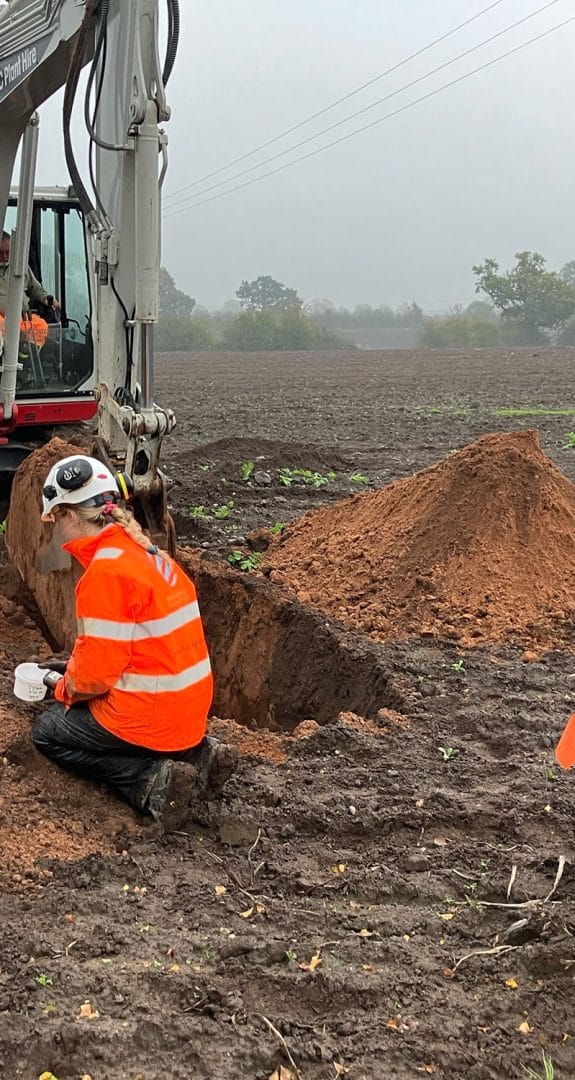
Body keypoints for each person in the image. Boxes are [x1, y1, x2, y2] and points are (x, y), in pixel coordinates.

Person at [32, 454, 236, 830]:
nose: (56, 529)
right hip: (191, 714)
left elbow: (92, 681)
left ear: (72, 516)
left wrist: (60, 688)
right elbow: (135, 645)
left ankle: (151, 782)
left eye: (57, 517)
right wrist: (73, 665)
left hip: (151, 719)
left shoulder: (104, 574)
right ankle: (199, 755)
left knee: (48, 733)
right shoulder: (151, 557)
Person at [0, 229, 60, 318]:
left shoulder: (21, 267)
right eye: (1, 252)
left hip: (24, 321)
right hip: (2, 326)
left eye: (8, 252)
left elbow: (35, 288)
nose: (5, 256)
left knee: (43, 326)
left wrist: (46, 298)